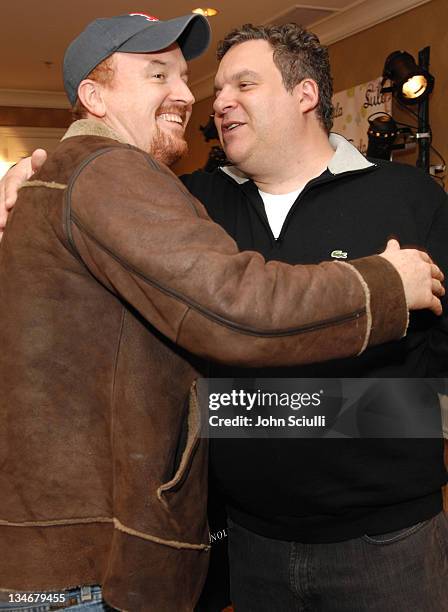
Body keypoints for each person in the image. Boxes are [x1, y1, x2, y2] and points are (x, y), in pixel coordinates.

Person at [2, 13, 444, 612]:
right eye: (217, 86)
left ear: (305, 94)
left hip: (383, 539)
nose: (211, 100)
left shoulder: (409, 196)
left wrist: (258, 410)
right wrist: (28, 174)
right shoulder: (190, 198)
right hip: (243, 539)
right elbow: (232, 319)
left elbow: (436, 384)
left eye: (244, 84)